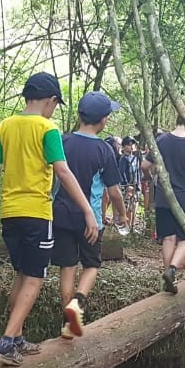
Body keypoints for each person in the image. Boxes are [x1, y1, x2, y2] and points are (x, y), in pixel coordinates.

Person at [0, 72, 98, 366]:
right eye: (55, 104)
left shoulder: (6, 125)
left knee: (22, 274)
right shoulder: (47, 128)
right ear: (51, 100)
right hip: (37, 213)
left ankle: (16, 337)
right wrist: (87, 210)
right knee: (35, 278)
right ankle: (6, 340)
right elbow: (62, 171)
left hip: (9, 213)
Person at [55, 91, 126, 340]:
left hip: (61, 214)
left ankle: (67, 322)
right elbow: (114, 192)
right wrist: (122, 215)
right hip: (91, 219)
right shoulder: (104, 150)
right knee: (91, 265)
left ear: (79, 114)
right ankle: (78, 302)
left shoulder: (62, 141)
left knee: (67, 266)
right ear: (104, 120)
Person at [143, 106, 185, 295]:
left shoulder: (161, 140)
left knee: (168, 237)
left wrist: (150, 176)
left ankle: (167, 275)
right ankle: (172, 269)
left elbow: (144, 164)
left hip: (163, 197)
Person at [117, 136, 141, 229]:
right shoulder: (123, 159)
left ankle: (132, 226)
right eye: (129, 145)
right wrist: (127, 185)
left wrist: (138, 184)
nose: (131, 146)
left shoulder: (135, 158)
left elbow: (138, 172)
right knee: (127, 207)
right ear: (123, 147)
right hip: (127, 187)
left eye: (133, 144)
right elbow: (121, 172)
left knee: (134, 206)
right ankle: (126, 226)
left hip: (135, 186)